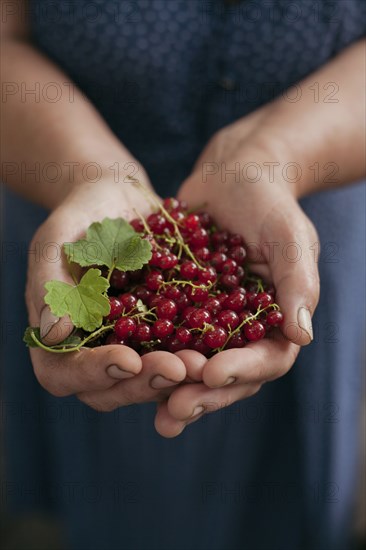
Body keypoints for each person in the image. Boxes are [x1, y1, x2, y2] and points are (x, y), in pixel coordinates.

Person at [1, 1, 365, 549]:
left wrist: (275, 157)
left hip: (296, 213)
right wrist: (86, 170)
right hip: (63, 184)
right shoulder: (148, 273)